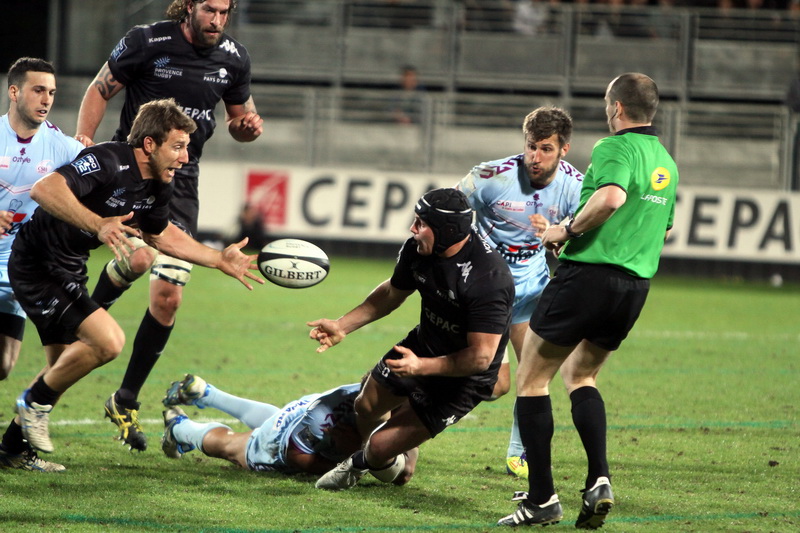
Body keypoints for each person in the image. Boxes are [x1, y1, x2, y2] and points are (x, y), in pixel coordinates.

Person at [8, 98, 263, 461]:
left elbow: (161, 236)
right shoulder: (109, 160)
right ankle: (32, 404)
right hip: (36, 264)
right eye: (177, 147)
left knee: (61, 368)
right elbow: (45, 189)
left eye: (186, 148)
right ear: (149, 144)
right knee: (108, 342)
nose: (184, 158)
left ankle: (11, 449)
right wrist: (98, 224)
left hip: (69, 266)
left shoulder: (159, 184)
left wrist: (218, 259)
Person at [75, 0, 264, 452]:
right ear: (190, 7)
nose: (217, 20)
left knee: (168, 295)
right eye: (210, 10)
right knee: (137, 257)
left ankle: (124, 399)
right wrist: (83, 139)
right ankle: (77, 322)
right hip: (131, 170)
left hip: (181, 183)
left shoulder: (234, 58)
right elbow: (99, 90)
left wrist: (247, 127)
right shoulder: (146, 40)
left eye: (225, 12)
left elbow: (239, 120)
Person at [497, 73, 678, 529]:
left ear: (616, 108)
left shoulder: (614, 148)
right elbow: (666, 226)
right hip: (634, 287)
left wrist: (568, 230)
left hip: (588, 277)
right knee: (583, 375)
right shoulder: (666, 162)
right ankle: (599, 479)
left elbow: (612, 196)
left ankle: (541, 499)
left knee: (532, 378)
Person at [307, 187, 515, 490]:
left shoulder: (488, 279)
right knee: (365, 405)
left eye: (420, 223)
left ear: (446, 230)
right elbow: (392, 292)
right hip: (421, 348)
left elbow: (481, 357)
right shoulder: (417, 251)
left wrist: (421, 368)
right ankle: (388, 444)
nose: (412, 229)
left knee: (381, 454)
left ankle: (368, 460)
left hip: (465, 377)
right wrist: (342, 326)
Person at [456, 106, 582, 480]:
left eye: (545, 148)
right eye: (531, 147)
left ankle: (519, 454)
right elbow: (447, 215)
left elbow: (581, 238)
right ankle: (417, 385)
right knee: (495, 385)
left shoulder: (578, 186)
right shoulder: (491, 177)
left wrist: (560, 239)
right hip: (485, 289)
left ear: (564, 149)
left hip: (530, 288)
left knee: (535, 374)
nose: (535, 157)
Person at [0, 57, 85, 473]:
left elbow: (98, 170)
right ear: (14, 91)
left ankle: (15, 447)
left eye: (52, 92)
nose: (46, 99)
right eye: (38, 90)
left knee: (6, 364)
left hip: (24, 268)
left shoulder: (60, 146)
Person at [160, 373, 418, 481]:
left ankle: (205, 393)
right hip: (287, 439)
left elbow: (405, 470)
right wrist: (350, 465)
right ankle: (179, 428)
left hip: (300, 413)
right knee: (237, 448)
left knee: (273, 418)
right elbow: (298, 456)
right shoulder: (325, 422)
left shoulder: (389, 393)